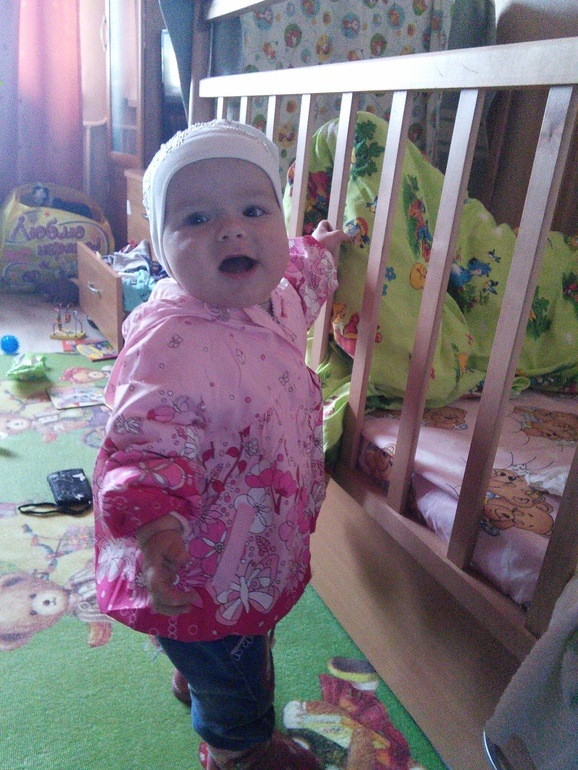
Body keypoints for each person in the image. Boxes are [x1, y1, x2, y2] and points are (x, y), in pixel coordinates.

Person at [92, 119, 349, 770]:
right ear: (162, 247)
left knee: (235, 639)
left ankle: (197, 672)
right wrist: (156, 527)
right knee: (235, 662)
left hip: (256, 532)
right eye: (198, 218)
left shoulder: (273, 301)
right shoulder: (168, 342)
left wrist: (320, 251)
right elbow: (145, 445)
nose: (232, 230)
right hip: (200, 551)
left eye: (254, 211)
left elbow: (300, 280)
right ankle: (240, 751)